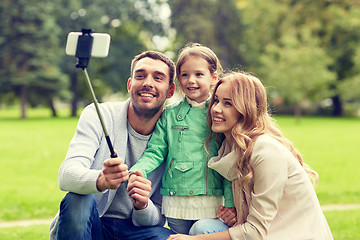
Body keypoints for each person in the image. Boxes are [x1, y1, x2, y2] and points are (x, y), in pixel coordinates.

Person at [167, 71, 333, 240]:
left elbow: (254, 232)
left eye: (228, 104)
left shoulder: (266, 152)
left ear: (246, 109)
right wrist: (232, 213)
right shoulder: (229, 147)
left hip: (290, 235)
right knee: (204, 227)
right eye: (216, 100)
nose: (216, 109)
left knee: (200, 233)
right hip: (266, 232)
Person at [49, 50, 177, 240]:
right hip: (93, 224)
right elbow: (66, 174)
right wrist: (100, 180)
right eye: (140, 76)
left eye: (158, 78)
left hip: (136, 231)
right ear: (129, 84)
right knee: (77, 198)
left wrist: (143, 205)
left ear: (170, 91)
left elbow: (158, 217)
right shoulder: (98, 114)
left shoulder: (176, 136)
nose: (147, 83)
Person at [129, 43, 236, 235]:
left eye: (198, 74)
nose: (191, 80)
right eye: (184, 75)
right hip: (175, 199)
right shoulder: (169, 114)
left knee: (201, 233)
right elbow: (155, 151)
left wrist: (230, 203)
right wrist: (138, 170)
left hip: (212, 200)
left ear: (213, 78)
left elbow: (227, 162)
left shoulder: (219, 115)